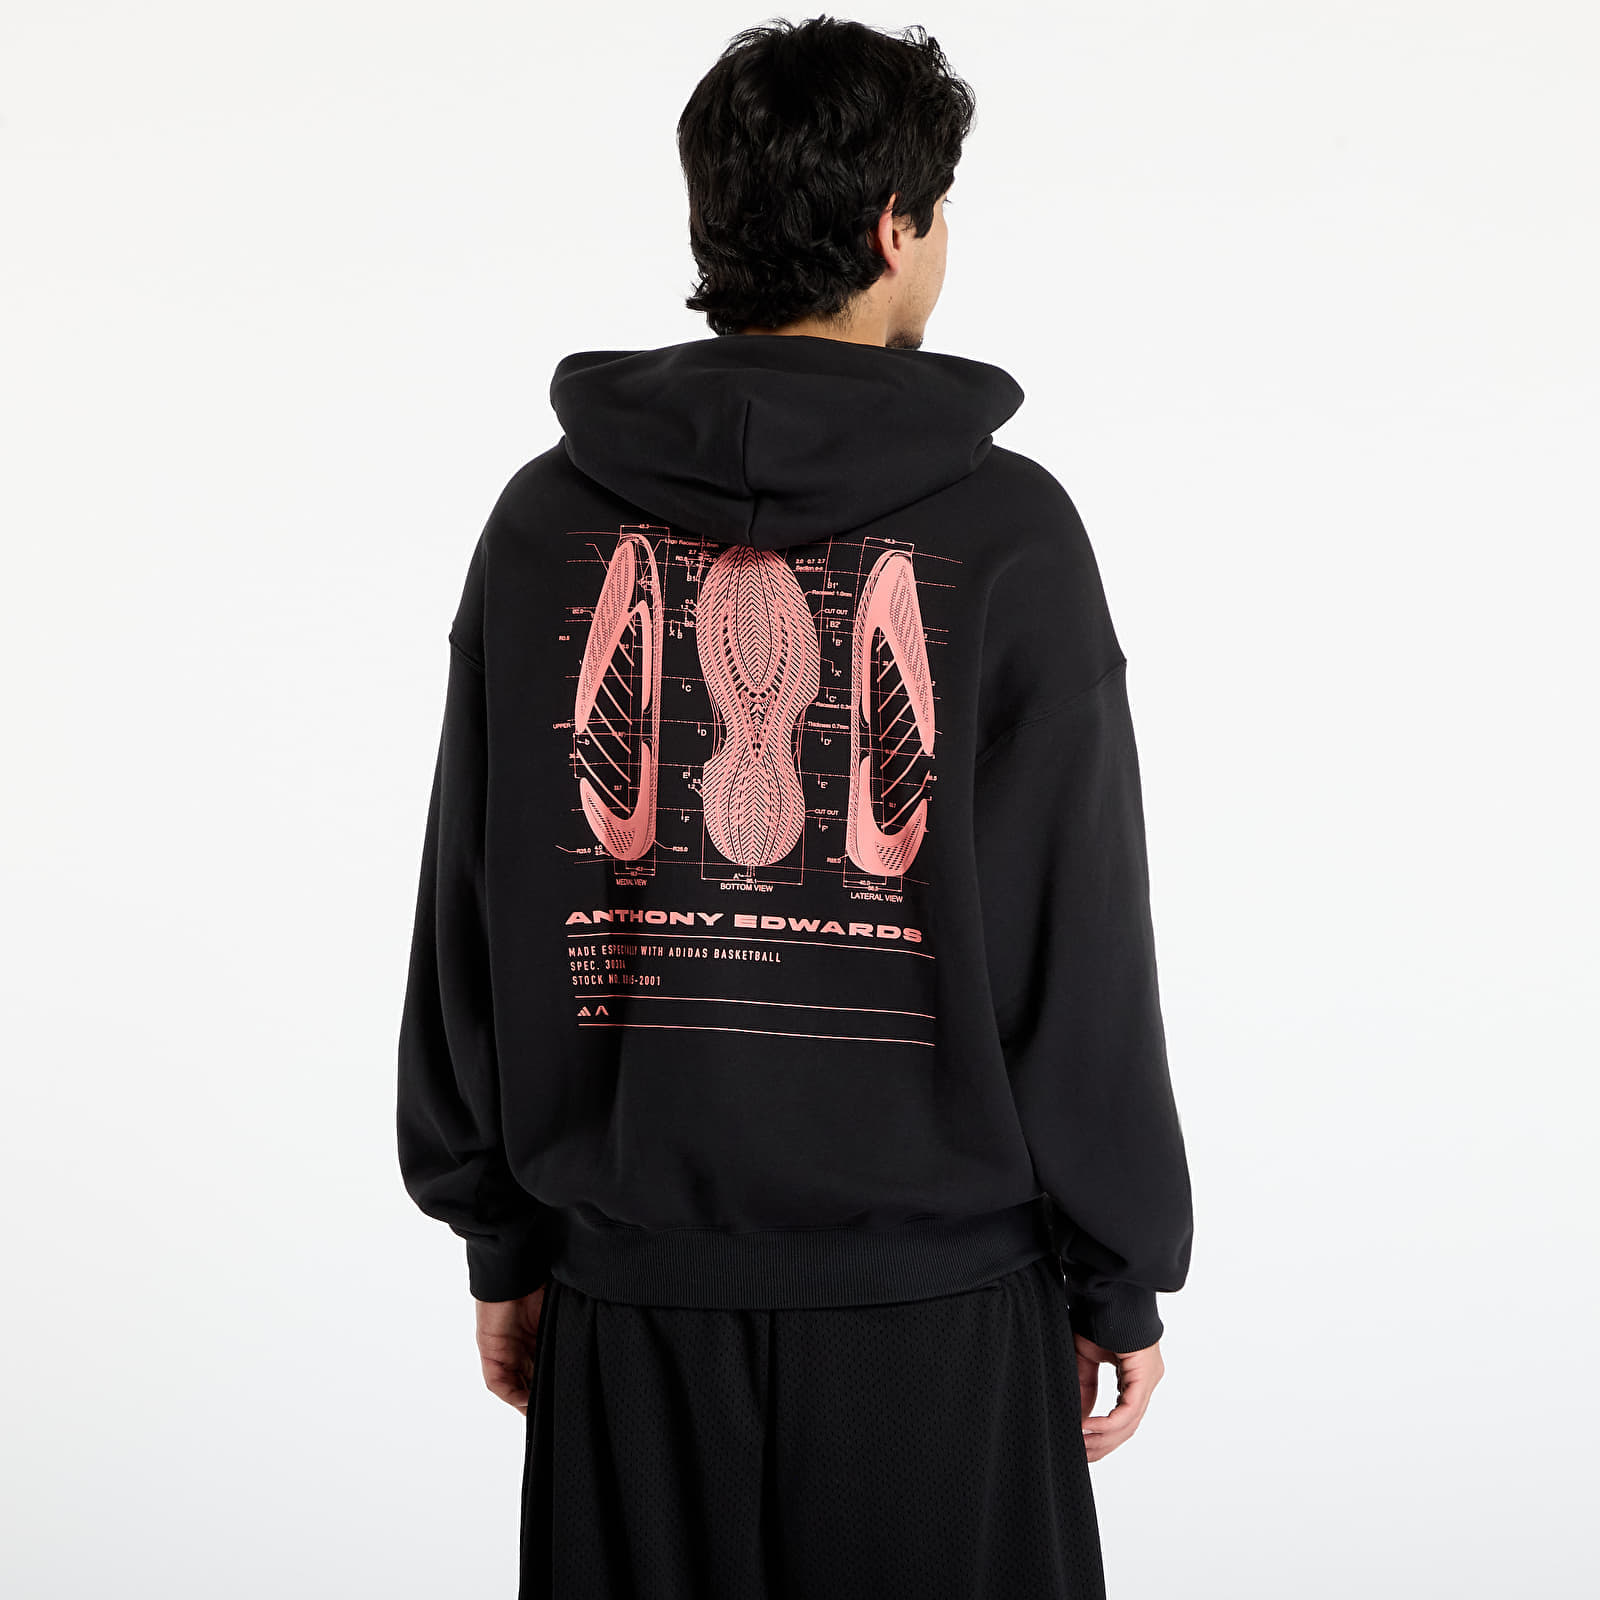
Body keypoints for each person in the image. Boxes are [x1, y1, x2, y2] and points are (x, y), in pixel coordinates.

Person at [396, 16, 1193, 1598]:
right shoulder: (1010, 536)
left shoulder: (544, 525)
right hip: (939, 1318)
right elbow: (1077, 940)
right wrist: (1120, 1273)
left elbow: (473, 908)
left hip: (631, 1311)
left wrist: (502, 1235)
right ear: (897, 226)